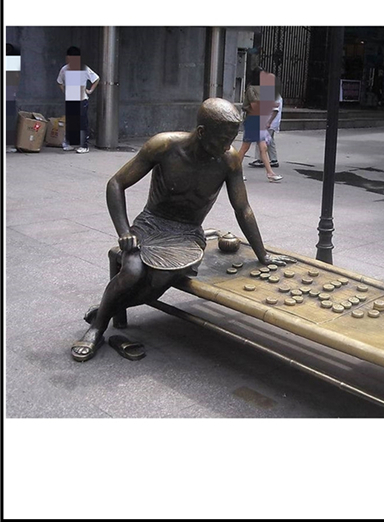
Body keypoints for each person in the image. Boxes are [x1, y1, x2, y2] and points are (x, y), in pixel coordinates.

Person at [71, 98, 294, 362]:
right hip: (151, 223)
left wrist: (262, 255)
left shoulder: (229, 160)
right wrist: (123, 231)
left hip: (188, 233)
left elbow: (242, 208)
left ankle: (104, 311)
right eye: (222, 140)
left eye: (231, 139)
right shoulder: (164, 146)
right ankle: (97, 329)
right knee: (132, 271)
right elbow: (116, 183)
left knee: (160, 279)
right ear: (201, 132)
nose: (227, 147)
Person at [238, 67, 283, 182]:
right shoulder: (251, 89)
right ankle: (234, 171)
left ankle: (270, 173)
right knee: (245, 148)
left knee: (263, 148)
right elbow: (254, 106)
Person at [56, 46, 99, 153]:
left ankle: (84, 146)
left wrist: (90, 90)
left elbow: (96, 78)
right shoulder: (64, 69)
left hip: (82, 100)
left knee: (82, 123)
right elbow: (59, 82)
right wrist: (64, 91)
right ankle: (71, 143)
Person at [249, 94, 283, 169]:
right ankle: (273, 159)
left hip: (269, 122)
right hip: (270, 122)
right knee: (270, 141)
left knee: (261, 140)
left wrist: (269, 122)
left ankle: (260, 159)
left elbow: (275, 110)